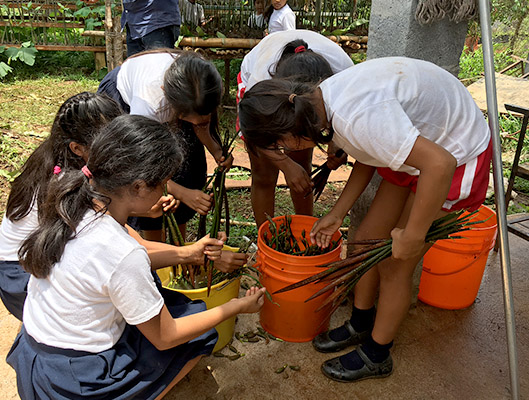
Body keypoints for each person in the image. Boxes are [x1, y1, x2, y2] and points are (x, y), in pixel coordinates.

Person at [238, 57, 492, 382]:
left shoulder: (356, 116)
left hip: (456, 156)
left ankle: (377, 353)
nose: (284, 153)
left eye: (278, 148)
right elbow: (368, 152)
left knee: (395, 265)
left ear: (287, 135)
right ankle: (361, 322)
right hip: (422, 149)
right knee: (363, 240)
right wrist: (337, 213)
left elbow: (440, 164)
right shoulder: (320, 105)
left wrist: (413, 234)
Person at [6, 114, 266, 400]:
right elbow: (165, 336)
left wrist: (189, 252)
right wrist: (235, 306)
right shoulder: (121, 251)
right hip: (74, 381)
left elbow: (120, 263)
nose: (165, 191)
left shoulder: (73, 199)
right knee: (198, 332)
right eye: (163, 183)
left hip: (35, 357)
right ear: (139, 187)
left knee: (166, 302)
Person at [0, 92, 123, 321]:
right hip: (21, 279)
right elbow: (116, 241)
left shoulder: (54, 155)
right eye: (109, 144)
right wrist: (183, 254)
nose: (118, 149)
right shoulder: (67, 183)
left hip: (17, 268)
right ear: (77, 148)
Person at [98, 50, 235, 244]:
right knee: (149, 191)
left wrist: (217, 151)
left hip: (181, 104)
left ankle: (179, 246)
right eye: (191, 120)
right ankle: (158, 247)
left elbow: (201, 123)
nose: (197, 124)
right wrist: (183, 194)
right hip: (127, 106)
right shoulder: (148, 103)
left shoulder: (204, 84)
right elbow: (142, 168)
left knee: (189, 170)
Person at [237, 30, 352, 227]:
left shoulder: (344, 74)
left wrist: (338, 141)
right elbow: (252, 132)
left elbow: (345, 112)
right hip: (262, 97)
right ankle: (266, 236)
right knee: (264, 174)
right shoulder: (262, 84)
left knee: (302, 166)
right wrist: (285, 164)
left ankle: (306, 228)